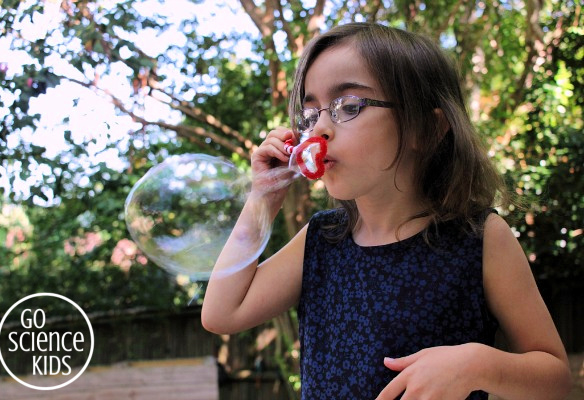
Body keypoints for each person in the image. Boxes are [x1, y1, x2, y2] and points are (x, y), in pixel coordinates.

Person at [201, 22, 572, 399]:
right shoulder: (322, 240)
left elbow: (556, 377)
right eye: (311, 114)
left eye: (349, 106)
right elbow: (221, 313)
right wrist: (263, 199)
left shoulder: (479, 238)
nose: (319, 131)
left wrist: (478, 365)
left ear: (426, 129)